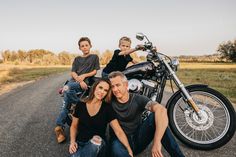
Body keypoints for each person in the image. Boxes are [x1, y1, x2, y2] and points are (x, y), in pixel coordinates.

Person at [108, 71, 185, 157]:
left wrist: (157, 142)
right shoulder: (109, 103)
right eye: (112, 87)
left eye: (118, 85)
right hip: (120, 142)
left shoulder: (137, 99)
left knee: (155, 117)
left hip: (139, 138)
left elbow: (161, 110)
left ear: (126, 85)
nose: (114, 89)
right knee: (115, 149)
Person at [69, 79, 133, 157]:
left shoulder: (107, 108)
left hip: (99, 145)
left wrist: (128, 149)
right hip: (80, 144)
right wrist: (72, 142)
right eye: (100, 87)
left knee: (95, 141)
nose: (102, 92)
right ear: (95, 87)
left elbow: (118, 131)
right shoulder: (80, 104)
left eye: (105, 90)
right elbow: (74, 126)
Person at [55, 37, 100, 143]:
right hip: (75, 81)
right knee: (67, 95)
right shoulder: (77, 59)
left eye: (86, 45)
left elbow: (94, 71)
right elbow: (73, 72)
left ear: (90, 46)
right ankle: (76, 105)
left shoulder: (94, 57)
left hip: (85, 82)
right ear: (79, 48)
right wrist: (79, 80)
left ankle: (59, 126)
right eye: (82, 46)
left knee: (66, 96)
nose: (84, 47)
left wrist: (84, 76)